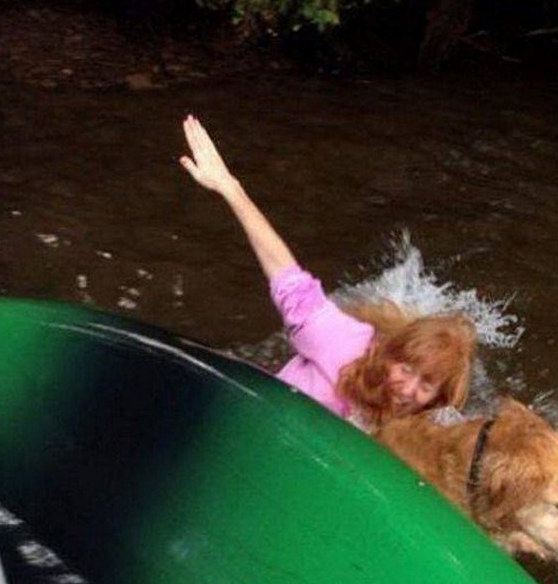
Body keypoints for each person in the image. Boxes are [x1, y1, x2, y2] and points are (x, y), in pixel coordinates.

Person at [179, 115, 476, 431]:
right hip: (259, 424)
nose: (407, 390)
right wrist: (230, 187)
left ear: (436, 400)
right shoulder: (341, 342)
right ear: (389, 354)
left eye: (426, 385)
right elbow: (284, 273)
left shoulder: (419, 426)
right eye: (405, 369)